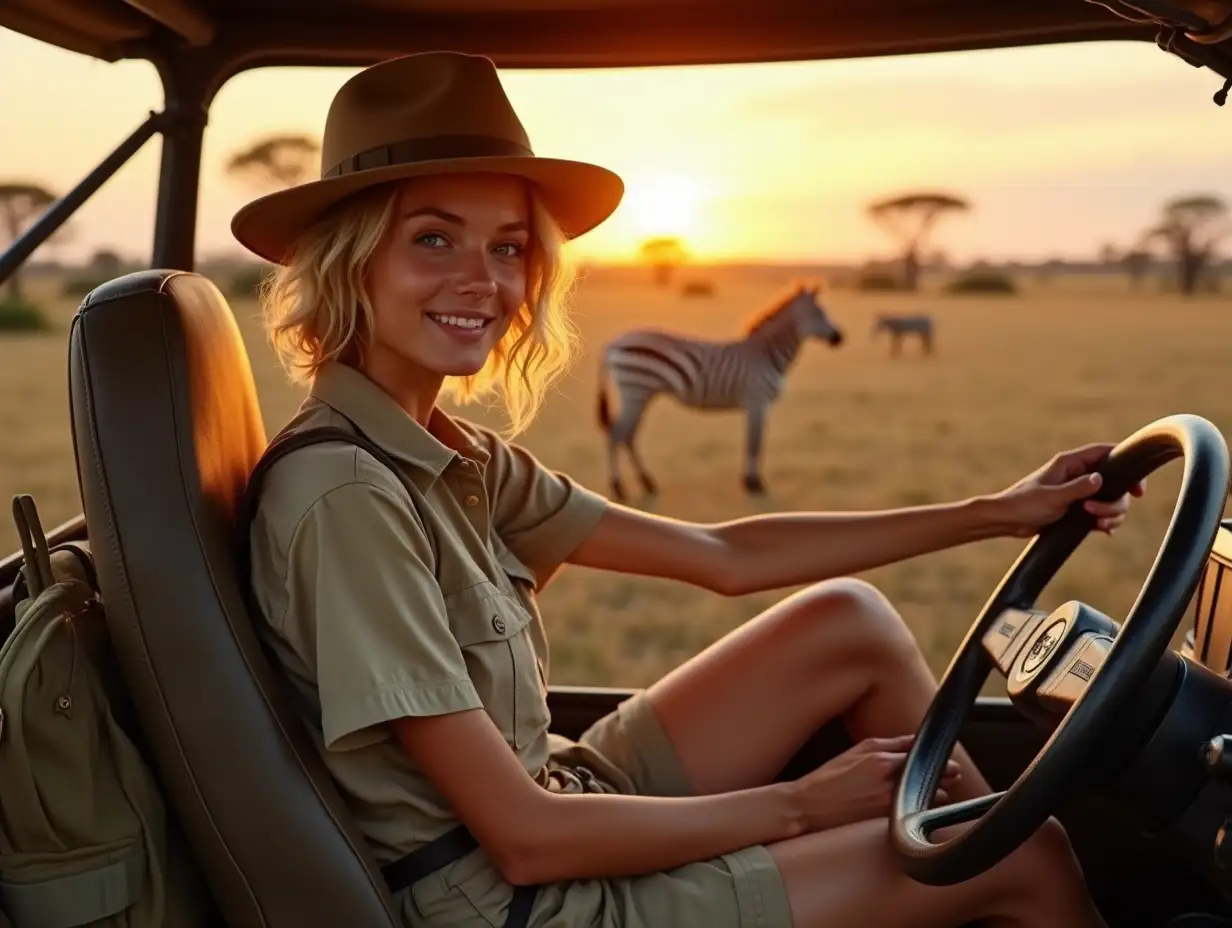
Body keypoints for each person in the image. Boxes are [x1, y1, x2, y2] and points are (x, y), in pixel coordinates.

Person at [233, 51, 1141, 928]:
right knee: (1026, 855)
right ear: (350, 262)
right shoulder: (346, 495)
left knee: (849, 623)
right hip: (514, 901)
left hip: (563, 788)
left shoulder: (447, 454)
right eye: (433, 239)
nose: (484, 280)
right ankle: (988, 882)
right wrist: (801, 806)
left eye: (508, 247)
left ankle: (961, 880)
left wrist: (999, 512)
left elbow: (723, 555)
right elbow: (526, 842)